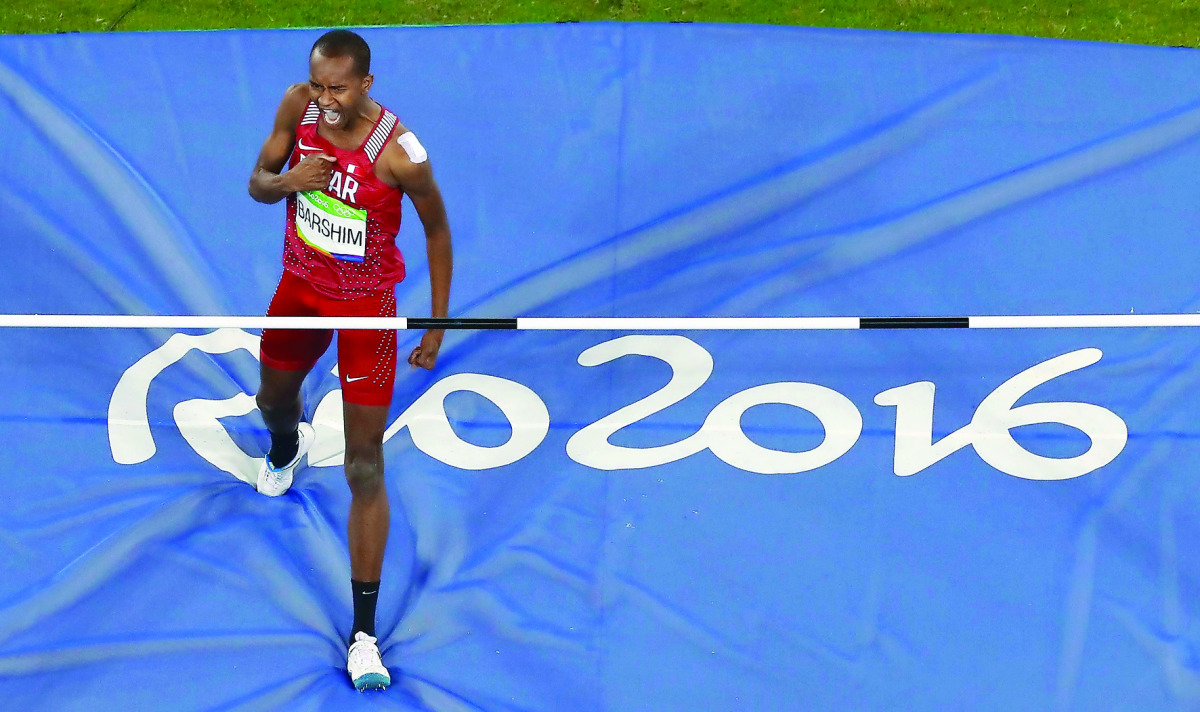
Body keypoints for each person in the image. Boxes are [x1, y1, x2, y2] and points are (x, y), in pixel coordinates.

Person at [247, 28, 452, 692]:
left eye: (338, 88)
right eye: (318, 84)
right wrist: (288, 183)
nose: (325, 99)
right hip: (300, 290)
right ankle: (287, 445)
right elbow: (255, 183)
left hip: (366, 310)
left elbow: (437, 229)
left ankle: (363, 634)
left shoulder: (399, 154)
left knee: (366, 465)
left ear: (366, 84)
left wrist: (437, 324)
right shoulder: (295, 108)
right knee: (271, 400)